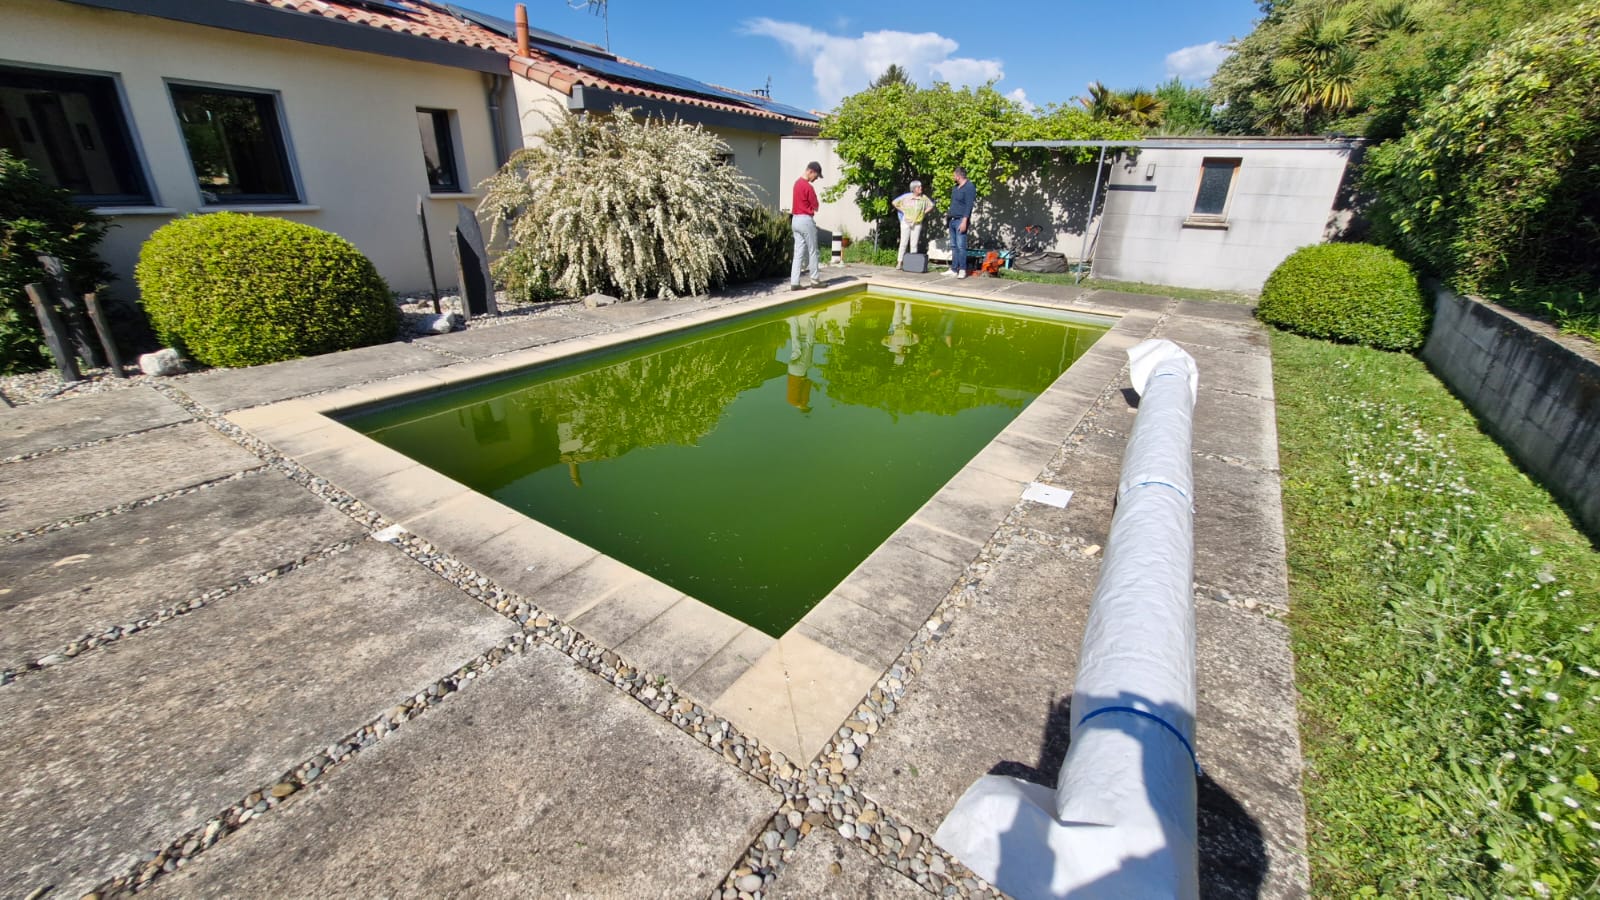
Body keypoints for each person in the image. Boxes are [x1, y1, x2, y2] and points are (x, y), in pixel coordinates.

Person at [790, 161, 825, 291]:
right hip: (805, 220)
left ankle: (794, 282)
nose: (816, 179)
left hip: (795, 220)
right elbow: (816, 206)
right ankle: (815, 280)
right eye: (816, 176)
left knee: (798, 252)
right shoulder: (808, 187)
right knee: (813, 250)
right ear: (810, 171)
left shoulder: (796, 184)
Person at [892, 181, 934, 269]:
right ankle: (900, 262)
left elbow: (931, 205)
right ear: (914, 189)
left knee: (914, 244)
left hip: (917, 223)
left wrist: (923, 212)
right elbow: (894, 202)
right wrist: (902, 210)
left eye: (920, 187)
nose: (920, 188)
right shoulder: (906, 197)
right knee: (903, 242)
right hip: (906, 222)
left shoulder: (923, 198)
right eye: (918, 187)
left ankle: (911, 264)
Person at [944, 166, 976, 279]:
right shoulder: (955, 188)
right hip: (952, 220)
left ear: (958, 176)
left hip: (961, 220)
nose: (953, 177)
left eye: (954, 175)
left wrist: (964, 221)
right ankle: (954, 268)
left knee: (961, 246)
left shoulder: (969, 187)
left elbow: (969, 205)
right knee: (954, 246)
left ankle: (962, 269)